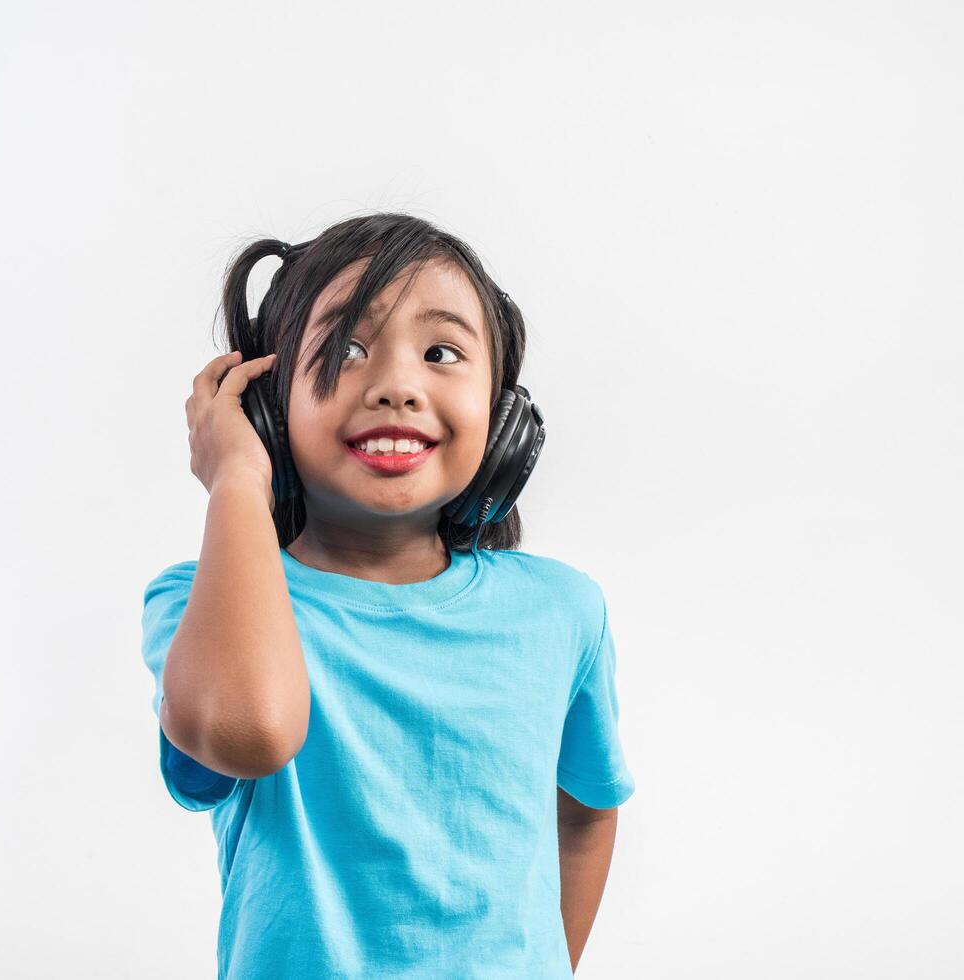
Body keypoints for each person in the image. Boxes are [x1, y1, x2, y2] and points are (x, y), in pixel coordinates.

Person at [140, 212, 635, 978]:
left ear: (502, 417)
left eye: (441, 352)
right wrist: (237, 477)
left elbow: (586, 816)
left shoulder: (560, 611)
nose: (396, 387)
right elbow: (248, 734)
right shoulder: (205, 603)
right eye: (344, 348)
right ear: (267, 411)